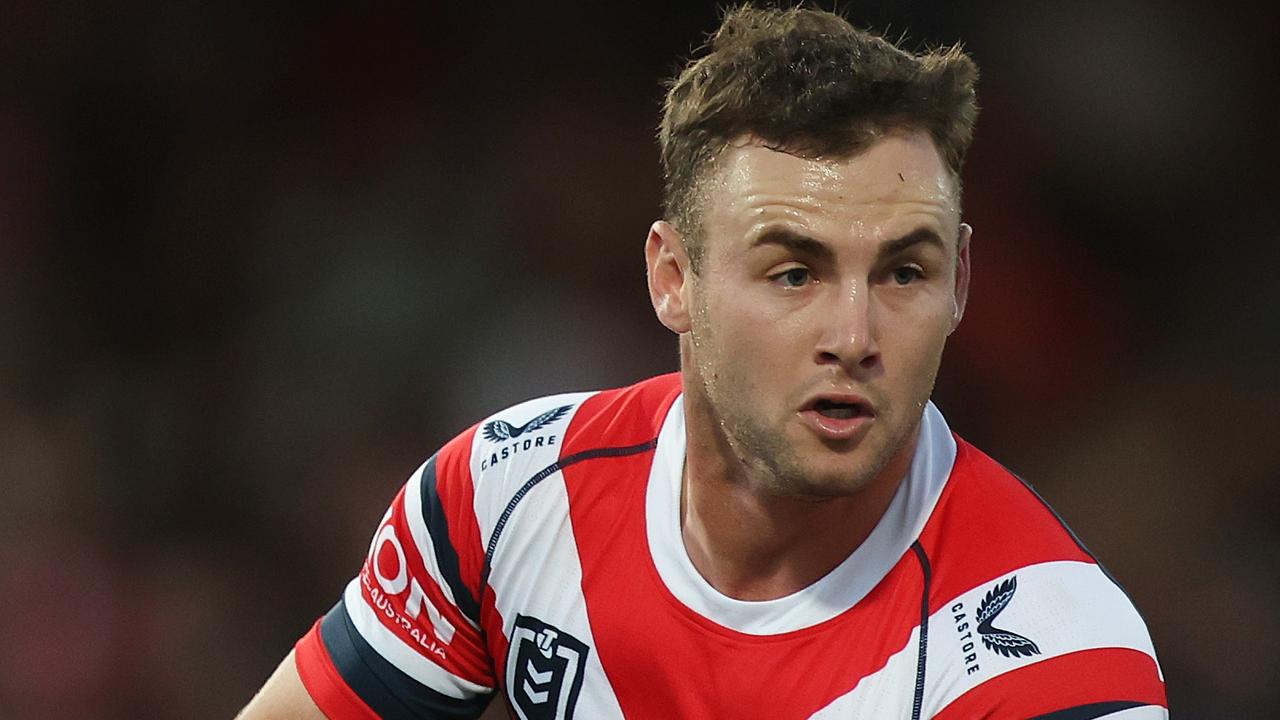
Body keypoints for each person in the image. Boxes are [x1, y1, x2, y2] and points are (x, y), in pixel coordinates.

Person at [238, 5, 1167, 719]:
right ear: (673, 278)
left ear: (961, 281)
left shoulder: (1055, 663)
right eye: (794, 272)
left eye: (904, 271)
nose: (855, 333)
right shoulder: (505, 497)